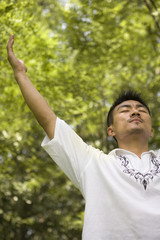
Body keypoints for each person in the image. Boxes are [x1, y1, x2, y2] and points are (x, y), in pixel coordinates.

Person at [7, 34, 160, 240]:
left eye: (141, 109)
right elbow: (50, 122)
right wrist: (20, 74)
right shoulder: (93, 163)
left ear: (151, 130)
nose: (135, 112)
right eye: (125, 110)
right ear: (110, 130)